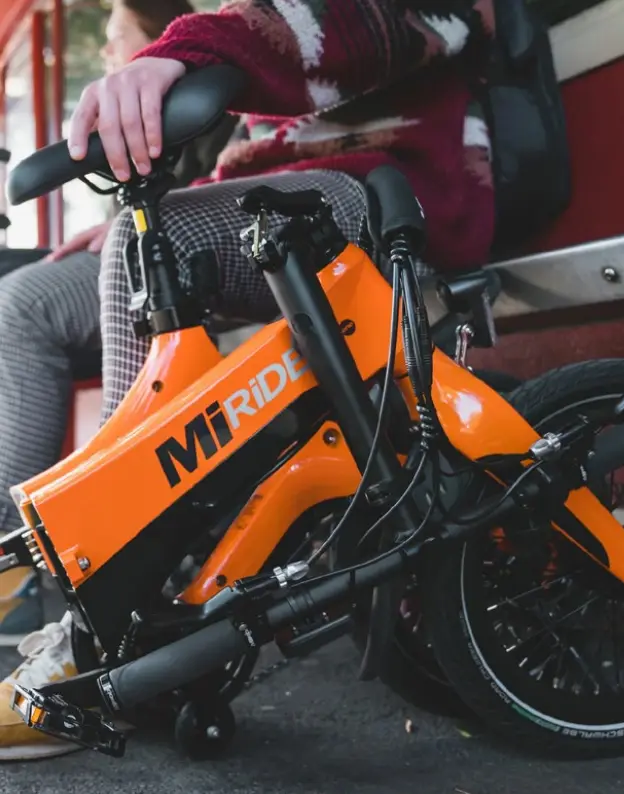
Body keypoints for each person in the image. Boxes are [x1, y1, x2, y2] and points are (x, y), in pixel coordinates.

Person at [0, 0, 497, 759]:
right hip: (270, 199)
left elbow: (360, 28)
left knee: (148, 242)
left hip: (383, 188)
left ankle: (109, 623)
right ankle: (22, 575)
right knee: (23, 302)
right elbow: (256, 139)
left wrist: (186, 51)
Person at [0, 0, 239, 652]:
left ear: (159, 40)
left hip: (198, 257)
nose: (107, 55)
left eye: (116, 39)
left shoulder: (205, 104)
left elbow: (221, 185)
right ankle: (25, 554)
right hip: (152, 238)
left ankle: (46, 565)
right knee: (16, 289)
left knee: (30, 302)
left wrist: (125, 227)